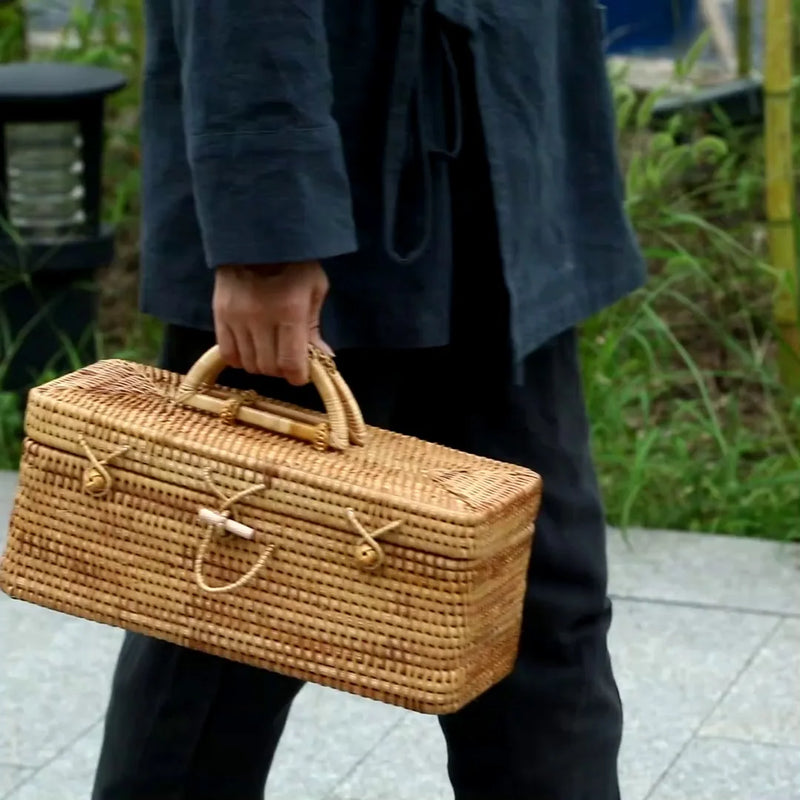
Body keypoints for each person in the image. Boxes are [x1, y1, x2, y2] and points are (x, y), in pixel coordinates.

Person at [92, 1, 646, 798]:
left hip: (503, 188)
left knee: (535, 612)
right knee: (223, 622)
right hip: (336, 192)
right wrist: (266, 231)